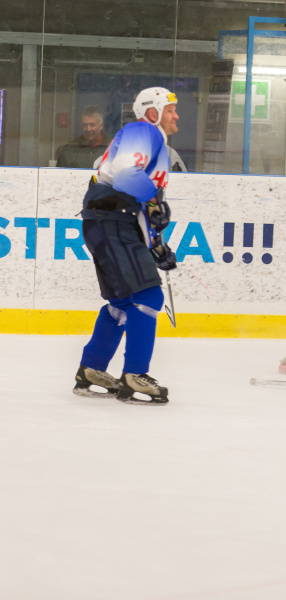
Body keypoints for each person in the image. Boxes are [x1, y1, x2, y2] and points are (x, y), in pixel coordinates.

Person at [73, 87, 179, 405]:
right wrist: (155, 200)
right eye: (170, 109)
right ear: (153, 113)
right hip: (112, 220)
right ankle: (135, 375)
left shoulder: (153, 142)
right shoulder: (143, 130)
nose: (176, 116)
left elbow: (142, 203)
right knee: (148, 296)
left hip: (109, 221)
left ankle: (92, 369)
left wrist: (157, 245)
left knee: (122, 301)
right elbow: (125, 175)